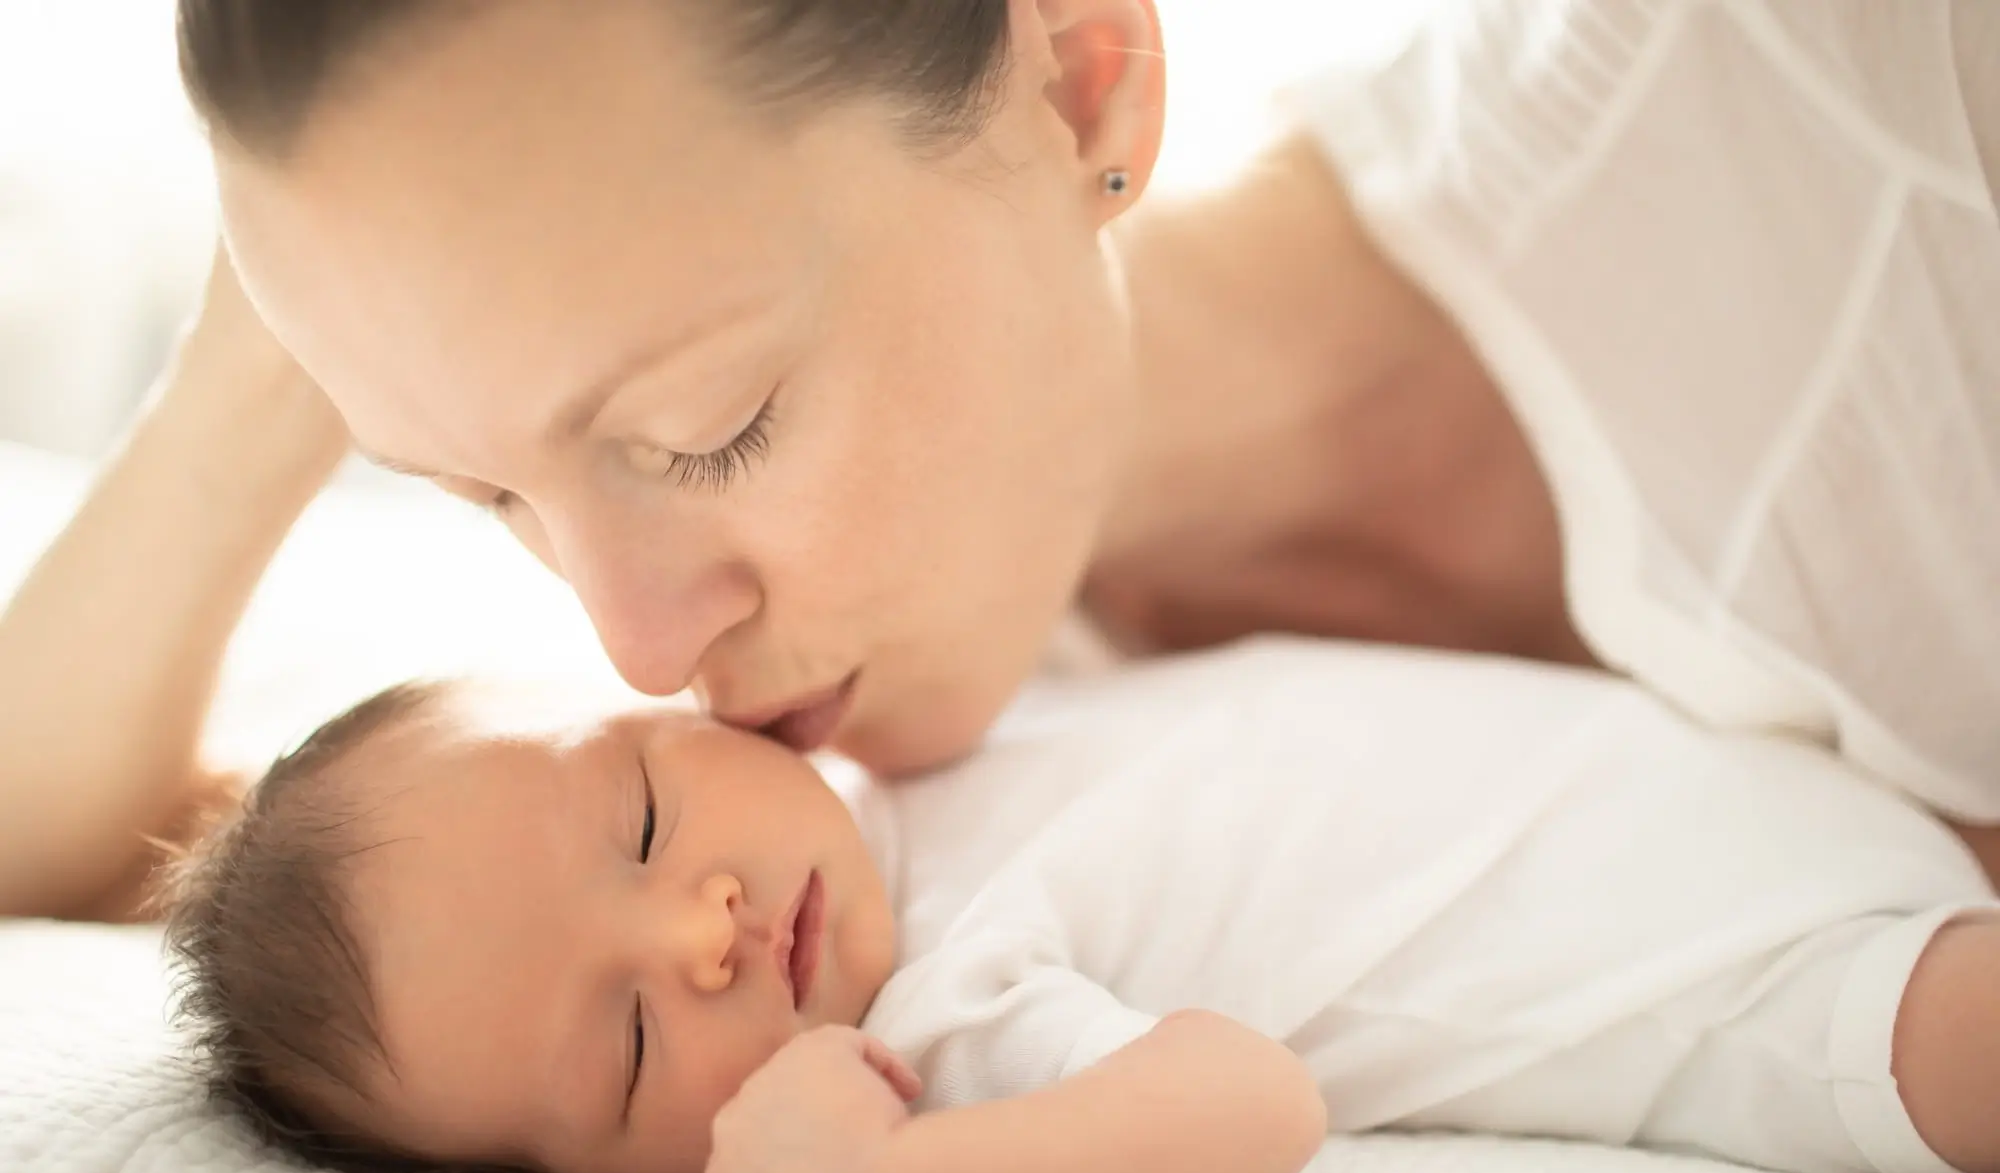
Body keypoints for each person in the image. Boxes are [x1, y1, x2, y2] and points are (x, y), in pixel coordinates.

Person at [2, 2, 1996, 895]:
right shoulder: (837, 806)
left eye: (710, 433)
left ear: (1078, 74)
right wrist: (314, 344)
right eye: (492, 497)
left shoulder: (1863, 94)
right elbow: (64, 849)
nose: (634, 645)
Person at [153, 637, 1998, 1173]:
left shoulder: (921, 722)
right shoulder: (945, 1008)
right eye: (629, 1050)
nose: (698, 934)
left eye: (639, 823)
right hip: (1787, 988)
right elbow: (1245, 1109)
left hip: (1781, 769)